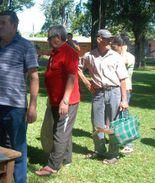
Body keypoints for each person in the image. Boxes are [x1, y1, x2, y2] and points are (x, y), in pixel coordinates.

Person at [0, 10, 39, 183]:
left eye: (3, 23)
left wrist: (32, 107)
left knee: (18, 149)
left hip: (15, 108)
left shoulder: (26, 46)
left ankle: (19, 180)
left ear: (14, 25)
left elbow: (34, 77)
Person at [35, 25, 80, 176]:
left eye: (49, 37)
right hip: (54, 100)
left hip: (67, 101)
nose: (48, 40)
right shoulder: (55, 53)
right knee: (60, 130)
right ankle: (66, 158)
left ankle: (53, 166)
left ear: (58, 38)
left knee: (60, 132)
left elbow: (71, 77)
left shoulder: (70, 53)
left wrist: (65, 100)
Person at [78, 29, 129, 165]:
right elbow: (78, 68)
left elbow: (123, 79)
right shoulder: (89, 55)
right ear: (99, 39)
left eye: (111, 39)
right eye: (107, 39)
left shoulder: (116, 56)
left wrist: (124, 99)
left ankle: (113, 154)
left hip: (114, 92)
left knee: (114, 124)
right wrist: (86, 82)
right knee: (97, 123)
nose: (110, 42)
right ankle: (99, 150)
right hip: (98, 93)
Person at [111, 34, 135, 154]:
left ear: (121, 46)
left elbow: (123, 63)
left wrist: (124, 50)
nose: (112, 46)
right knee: (118, 116)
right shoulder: (115, 56)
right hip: (116, 89)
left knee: (124, 116)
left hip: (125, 90)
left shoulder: (129, 57)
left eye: (114, 45)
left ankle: (129, 145)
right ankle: (119, 139)